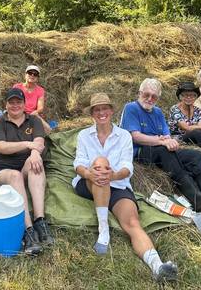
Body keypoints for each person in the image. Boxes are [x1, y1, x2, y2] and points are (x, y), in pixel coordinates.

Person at [73, 93, 177, 282]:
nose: (101, 112)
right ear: (92, 114)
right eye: (97, 109)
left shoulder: (123, 136)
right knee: (100, 163)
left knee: (133, 223)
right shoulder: (84, 135)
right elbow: (78, 163)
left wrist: (112, 175)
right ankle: (103, 229)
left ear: (112, 111)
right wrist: (90, 174)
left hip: (118, 184)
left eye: (105, 108)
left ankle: (157, 266)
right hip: (88, 182)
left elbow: (127, 167)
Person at [120, 78, 201, 213]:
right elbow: (135, 136)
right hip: (139, 151)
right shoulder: (131, 108)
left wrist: (170, 142)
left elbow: (167, 134)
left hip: (158, 148)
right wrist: (161, 141)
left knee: (196, 156)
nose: (150, 98)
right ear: (139, 93)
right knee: (164, 150)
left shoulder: (157, 112)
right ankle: (197, 199)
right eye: (146, 95)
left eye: (154, 96)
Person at [0, 88, 54, 256]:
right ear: (6, 105)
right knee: (15, 175)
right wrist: (28, 145)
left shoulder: (34, 120)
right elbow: (1, 147)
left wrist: (35, 152)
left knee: (35, 163)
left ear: (24, 104)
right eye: (11, 102)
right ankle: (28, 230)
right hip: (2, 166)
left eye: (19, 102)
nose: (15, 105)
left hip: (25, 163)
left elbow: (39, 141)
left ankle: (40, 221)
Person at [13, 65, 51, 134]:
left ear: (37, 78)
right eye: (30, 73)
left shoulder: (40, 90)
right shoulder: (17, 87)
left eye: (35, 74)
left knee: (48, 130)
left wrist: (34, 113)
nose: (32, 75)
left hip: (32, 115)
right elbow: (13, 103)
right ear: (25, 75)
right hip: (18, 113)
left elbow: (40, 108)